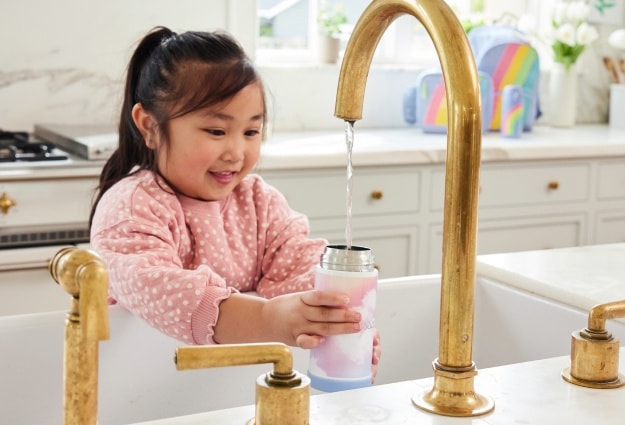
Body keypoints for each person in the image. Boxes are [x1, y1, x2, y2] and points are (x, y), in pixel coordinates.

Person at [89, 26, 380, 371]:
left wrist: (332, 315)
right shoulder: (131, 208)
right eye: (216, 131)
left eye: (251, 132)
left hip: (231, 390)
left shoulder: (258, 201)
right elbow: (162, 290)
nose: (236, 151)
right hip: (139, 384)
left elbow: (299, 262)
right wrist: (270, 317)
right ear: (150, 126)